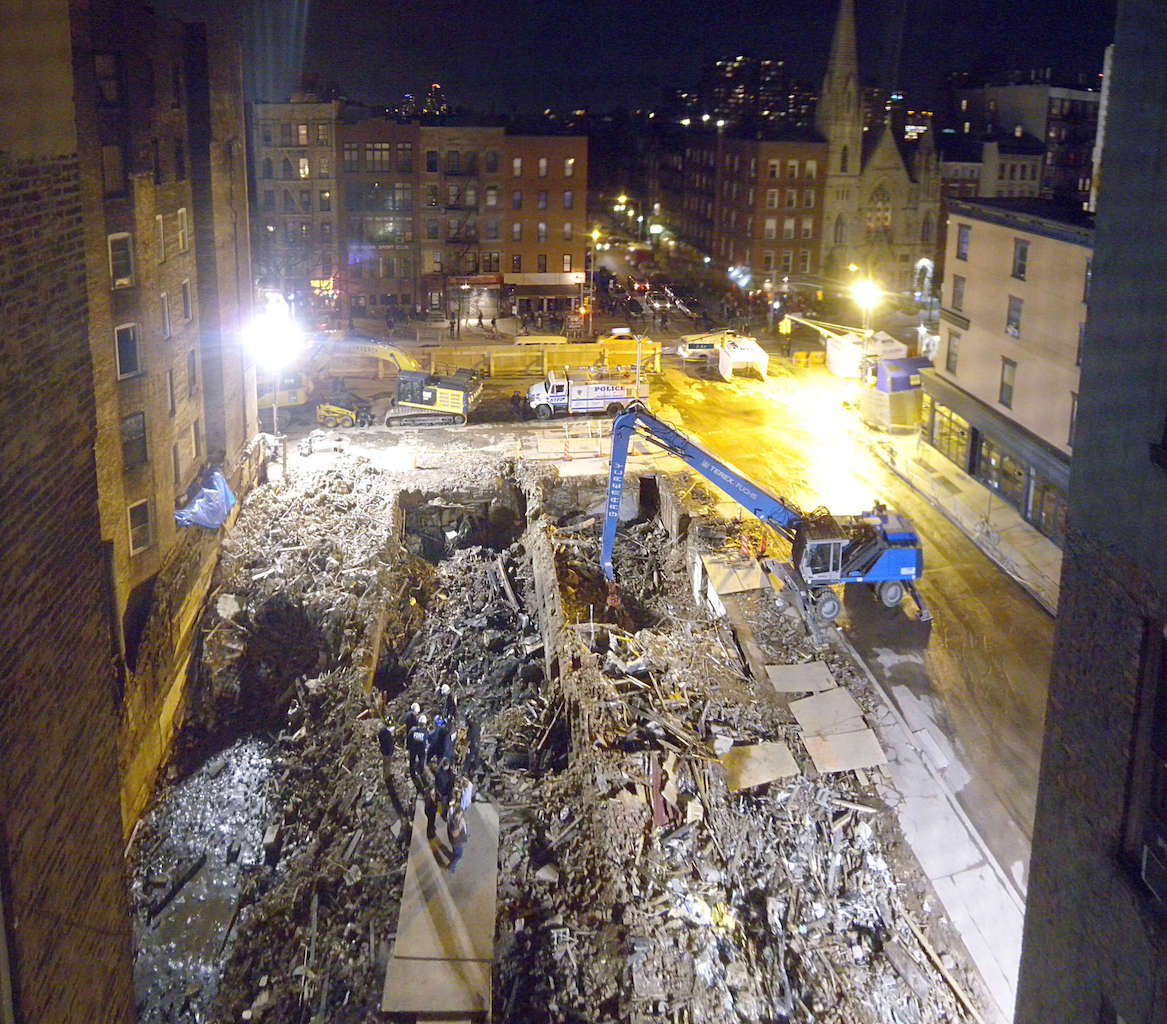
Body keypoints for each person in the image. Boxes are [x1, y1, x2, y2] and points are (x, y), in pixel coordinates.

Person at [377, 718, 405, 816]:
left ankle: (387, 775)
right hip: (387, 752)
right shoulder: (386, 734)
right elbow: (388, 743)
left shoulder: (382, 733)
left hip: (386, 752)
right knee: (386, 764)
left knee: (387, 764)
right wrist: (390, 751)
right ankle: (386, 776)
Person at [407, 713, 429, 778]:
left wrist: (408, 748)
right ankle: (421, 773)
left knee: (412, 760)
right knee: (421, 761)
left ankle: (412, 773)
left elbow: (408, 738)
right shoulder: (425, 732)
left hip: (413, 748)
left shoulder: (413, 729)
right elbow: (427, 741)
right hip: (421, 750)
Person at [446, 806, 468, 872]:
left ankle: (453, 856)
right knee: (459, 856)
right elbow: (455, 834)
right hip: (456, 842)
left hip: (455, 841)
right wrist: (461, 829)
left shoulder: (455, 819)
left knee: (455, 852)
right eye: (460, 814)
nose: (461, 816)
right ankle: (451, 867)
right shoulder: (454, 822)